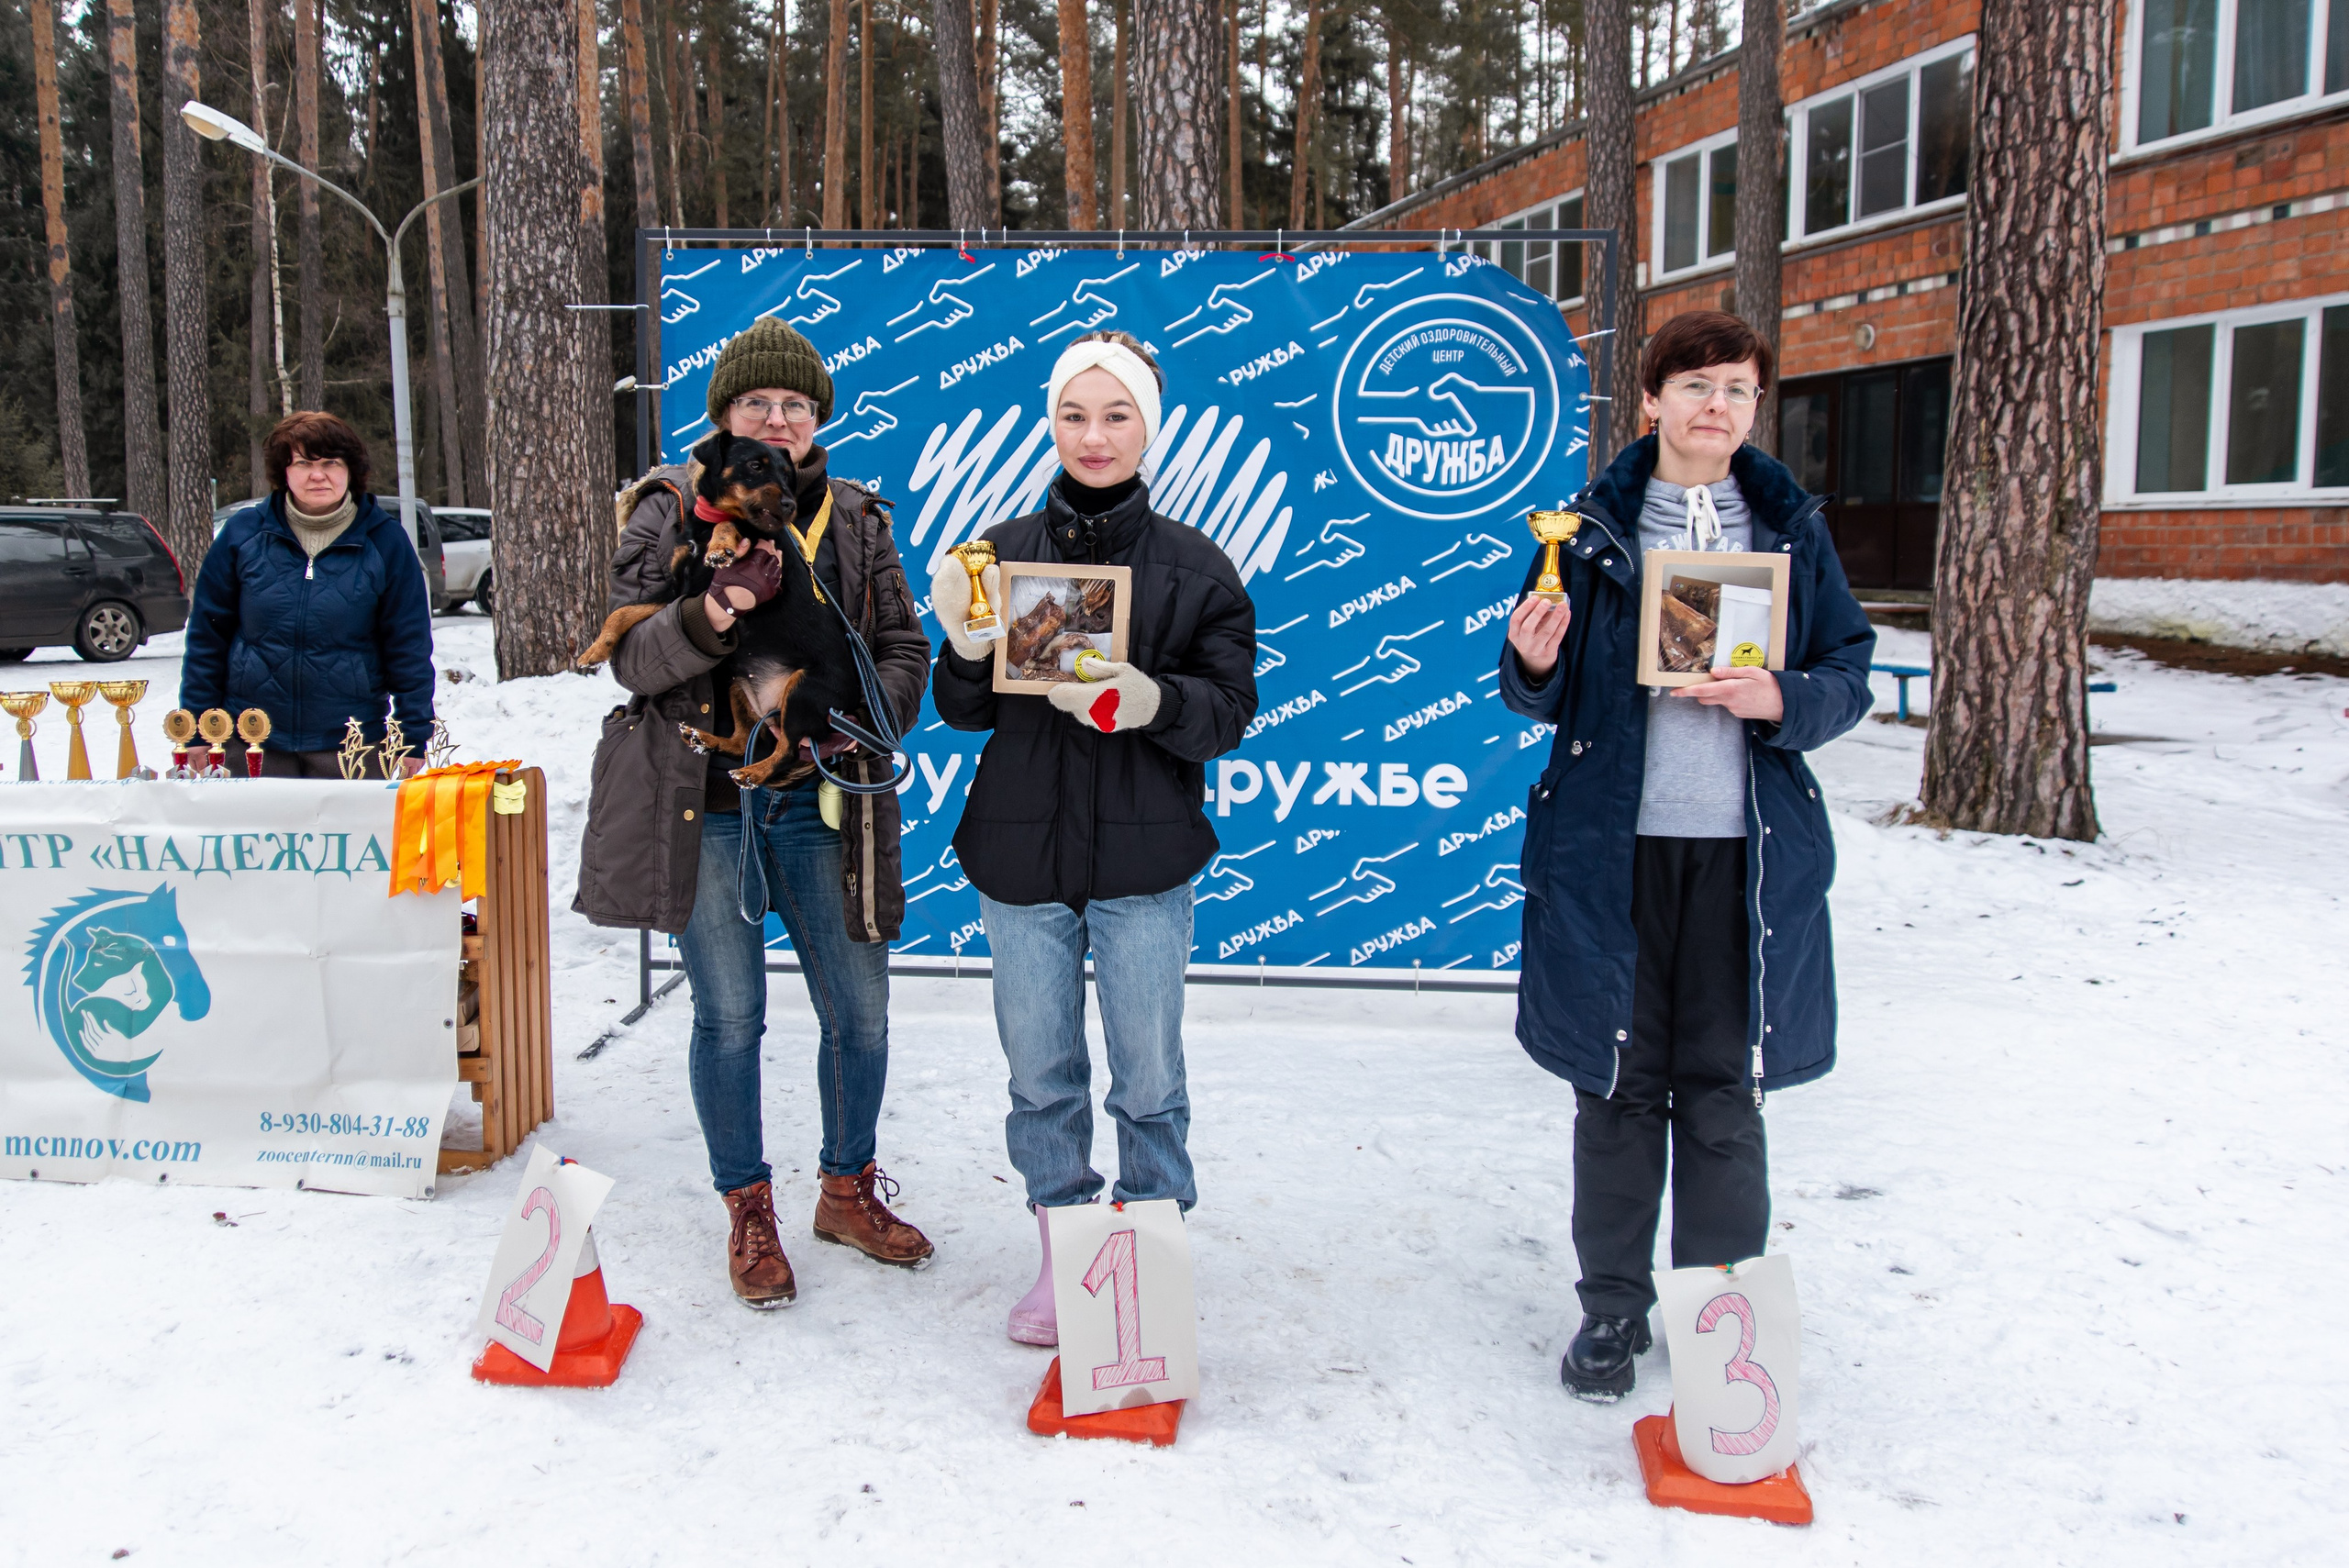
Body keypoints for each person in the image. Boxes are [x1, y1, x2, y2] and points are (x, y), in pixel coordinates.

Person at [1499, 310, 1876, 1401]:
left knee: (1723, 1096)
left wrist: (1782, 697)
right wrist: (1530, 662)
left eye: (1738, 389)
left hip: (1742, 863)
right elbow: (1537, 693)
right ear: (1652, 397)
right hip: (1612, 857)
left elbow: (1847, 670)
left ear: (1755, 407)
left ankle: (1720, 1317)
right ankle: (1612, 1309)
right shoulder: (1586, 531)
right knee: (1617, 1089)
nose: (1717, 405)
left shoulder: (1790, 529)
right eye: (1697, 384)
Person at [574, 317, 935, 1308]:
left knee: (859, 1012)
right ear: (725, 417)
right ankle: (748, 1207)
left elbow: (905, 646)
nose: (778, 419)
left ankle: (846, 1189)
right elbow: (633, 660)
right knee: (730, 1017)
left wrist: (859, 719)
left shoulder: (856, 517)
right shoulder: (664, 509)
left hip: (821, 801)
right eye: (756, 403)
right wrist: (712, 611)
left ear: (818, 418)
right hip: (708, 805)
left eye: (795, 404)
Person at [930, 331, 1257, 1347]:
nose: (1094, 435)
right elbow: (961, 711)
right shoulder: (998, 555)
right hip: (1020, 853)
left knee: (1148, 1076)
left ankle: (1147, 1255)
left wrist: (1152, 699)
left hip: (1143, 859)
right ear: (1053, 425)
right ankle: (1064, 1251)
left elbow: (1228, 711)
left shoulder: (1197, 569)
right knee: (1040, 1073)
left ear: (1147, 430)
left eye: (1117, 416)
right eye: (1075, 415)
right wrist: (966, 646)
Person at [182, 412, 434, 776]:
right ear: (284, 471)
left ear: (351, 469)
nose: (318, 475)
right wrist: (197, 726)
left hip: (351, 747)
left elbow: (408, 644)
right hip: (250, 742)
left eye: (331, 462)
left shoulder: (385, 541)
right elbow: (208, 636)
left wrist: (413, 733)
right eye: (303, 463)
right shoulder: (243, 534)